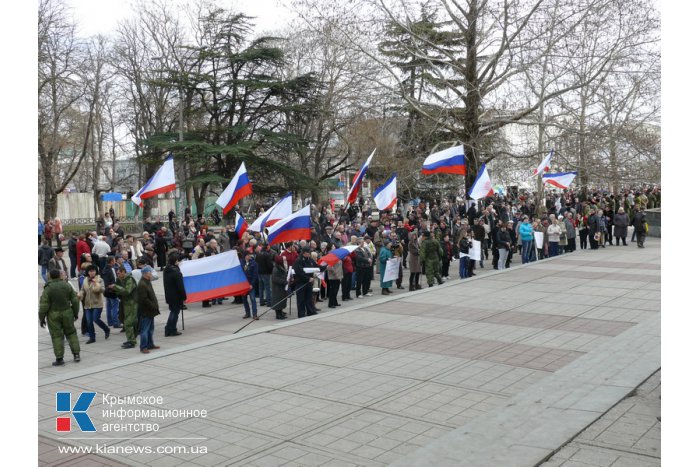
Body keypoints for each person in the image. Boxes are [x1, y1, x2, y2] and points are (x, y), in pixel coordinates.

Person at [39, 269, 81, 366]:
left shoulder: (48, 289)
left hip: (53, 315)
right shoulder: (66, 285)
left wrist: (41, 319)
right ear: (59, 276)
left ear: (50, 277)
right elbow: (75, 301)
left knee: (57, 336)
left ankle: (59, 359)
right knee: (71, 333)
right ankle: (76, 354)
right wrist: (75, 313)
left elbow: (44, 305)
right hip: (67, 312)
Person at [78, 264, 110, 344]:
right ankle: (92, 337)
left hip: (97, 304)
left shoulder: (99, 279)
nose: (92, 273)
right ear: (87, 272)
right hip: (88, 304)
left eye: (93, 271)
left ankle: (106, 329)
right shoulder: (85, 280)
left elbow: (103, 290)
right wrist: (80, 294)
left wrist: (96, 284)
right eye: (90, 271)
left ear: (96, 272)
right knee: (89, 321)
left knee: (95, 319)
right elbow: (82, 289)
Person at [111, 266, 139, 349]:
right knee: (131, 322)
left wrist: (115, 287)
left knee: (128, 323)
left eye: (119, 273)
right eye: (117, 274)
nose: (118, 275)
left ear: (123, 272)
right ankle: (131, 339)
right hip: (126, 303)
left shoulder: (129, 279)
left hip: (132, 304)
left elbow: (127, 291)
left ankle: (131, 341)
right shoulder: (122, 280)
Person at [136, 266, 160, 353]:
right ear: (145, 274)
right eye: (150, 272)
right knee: (145, 330)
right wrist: (153, 306)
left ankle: (150, 344)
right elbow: (144, 299)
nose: (151, 274)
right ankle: (143, 347)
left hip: (150, 311)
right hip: (146, 311)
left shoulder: (147, 282)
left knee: (150, 329)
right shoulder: (142, 284)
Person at [163, 253, 187, 336]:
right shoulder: (176, 272)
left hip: (169, 295)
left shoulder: (167, 270)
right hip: (176, 296)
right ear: (176, 261)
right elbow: (180, 286)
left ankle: (169, 329)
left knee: (172, 312)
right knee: (174, 313)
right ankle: (171, 329)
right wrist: (184, 296)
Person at [293, 247, 317, 317]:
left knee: (309, 297)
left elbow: (315, 266)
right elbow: (299, 272)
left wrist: (324, 267)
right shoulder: (298, 260)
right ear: (304, 253)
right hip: (301, 282)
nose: (309, 254)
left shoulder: (310, 259)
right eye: (308, 252)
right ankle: (301, 313)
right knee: (301, 299)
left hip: (309, 282)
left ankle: (310, 311)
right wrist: (308, 278)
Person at [102, 256, 122, 329]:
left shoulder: (104, 269)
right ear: (111, 261)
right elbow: (114, 280)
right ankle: (116, 323)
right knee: (115, 307)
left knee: (108, 306)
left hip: (106, 290)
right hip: (112, 290)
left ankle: (110, 322)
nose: (115, 262)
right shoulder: (111, 269)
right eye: (114, 260)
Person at [242, 251, 259, 319]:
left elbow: (255, 275)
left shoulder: (254, 263)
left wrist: (252, 284)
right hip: (243, 284)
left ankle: (254, 314)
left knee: (253, 299)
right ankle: (247, 313)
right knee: (244, 299)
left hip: (251, 283)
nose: (250, 256)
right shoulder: (241, 262)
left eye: (250, 255)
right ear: (245, 256)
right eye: (248, 255)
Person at [271, 255, 289, 319]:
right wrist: (284, 282)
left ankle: (280, 312)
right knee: (278, 301)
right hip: (277, 288)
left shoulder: (280, 267)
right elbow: (275, 279)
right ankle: (278, 315)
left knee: (281, 300)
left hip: (281, 288)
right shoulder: (276, 269)